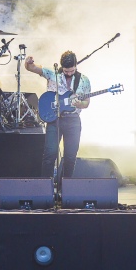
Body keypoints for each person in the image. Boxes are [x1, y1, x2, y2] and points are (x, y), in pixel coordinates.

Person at [25, 51, 90, 179]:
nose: (69, 74)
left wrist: (79, 104)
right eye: (66, 71)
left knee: (70, 157)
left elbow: (87, 103)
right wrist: (28, 63)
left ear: (76, 66)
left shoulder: (84, 80)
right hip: (54, 120)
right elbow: (32, 68)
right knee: (50, 154)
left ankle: (66, 188)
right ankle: (45, 188)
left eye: (71, 71)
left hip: (73, 121)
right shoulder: (52, 73)